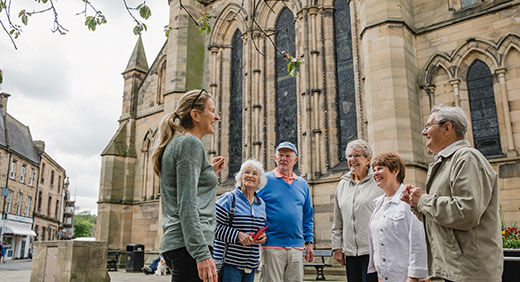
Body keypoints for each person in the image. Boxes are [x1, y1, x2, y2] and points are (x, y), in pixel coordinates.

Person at [401, 105, 503, 282]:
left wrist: (423, 201)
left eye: (428, 126)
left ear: (447, 128)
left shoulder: (467, 158)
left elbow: (466, 212)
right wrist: (416, 204)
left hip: (471, 272)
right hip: (456, 269)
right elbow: (445, 216)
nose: (424, 132)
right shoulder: (448, 161)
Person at [152, 89, 225, 282]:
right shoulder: (190, 144)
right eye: (212, 110)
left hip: (182, 244)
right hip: (189, 246)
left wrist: (208, 172)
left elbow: (185, 189)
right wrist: (201, 253)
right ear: (195, 115)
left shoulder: (180, 144)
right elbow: (187, 203)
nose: (217, 117)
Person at [257, 141, 314, 282]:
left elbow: (307, 215)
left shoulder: (302, 184)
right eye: (280, 155)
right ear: (275, 158)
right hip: (271, 245)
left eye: (288, 156)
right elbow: (255, 208)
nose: (284, 158)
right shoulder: (264, 180)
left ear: (295, 160)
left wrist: (309, 242)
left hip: (296, 247)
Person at [367, 152, 428, 282]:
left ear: (395, 171)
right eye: (374, 170)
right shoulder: (378, 204)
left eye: (380, 168)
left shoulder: (409, 199)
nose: (375, 173)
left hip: (407, 277)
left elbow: (419, 241)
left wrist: (414, 277)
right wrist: (379, 274)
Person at [331, 139, 383, 282]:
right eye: (349, 156)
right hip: (350, 253)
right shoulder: (342, 184)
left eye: (356, 156)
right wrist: (337, 247)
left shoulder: (379, 182)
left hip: (372, 252)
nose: (352, 159)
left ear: (368, 160)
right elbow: (338, 220)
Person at [213, 159, 267, 282]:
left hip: (250, 266)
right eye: (246, 172)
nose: (250, 176)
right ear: (240, 176)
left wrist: (262, 237)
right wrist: (237, 235)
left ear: (260, 180)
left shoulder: (261, 204)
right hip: (229, 265)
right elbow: (211, 226)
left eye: (255, 173)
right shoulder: (228, 199)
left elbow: (258, 228)